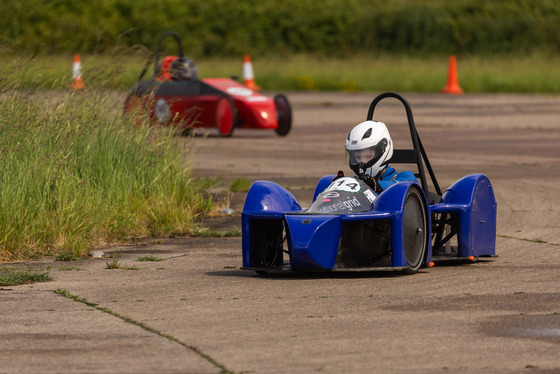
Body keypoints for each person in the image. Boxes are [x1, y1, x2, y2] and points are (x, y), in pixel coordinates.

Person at [340, 120, 417, 192]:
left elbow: (406, 186)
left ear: (383, 150)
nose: (362, 162)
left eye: (367, 156)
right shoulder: (353, 183)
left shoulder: (405, 178)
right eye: (358, 157)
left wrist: (377, 186)